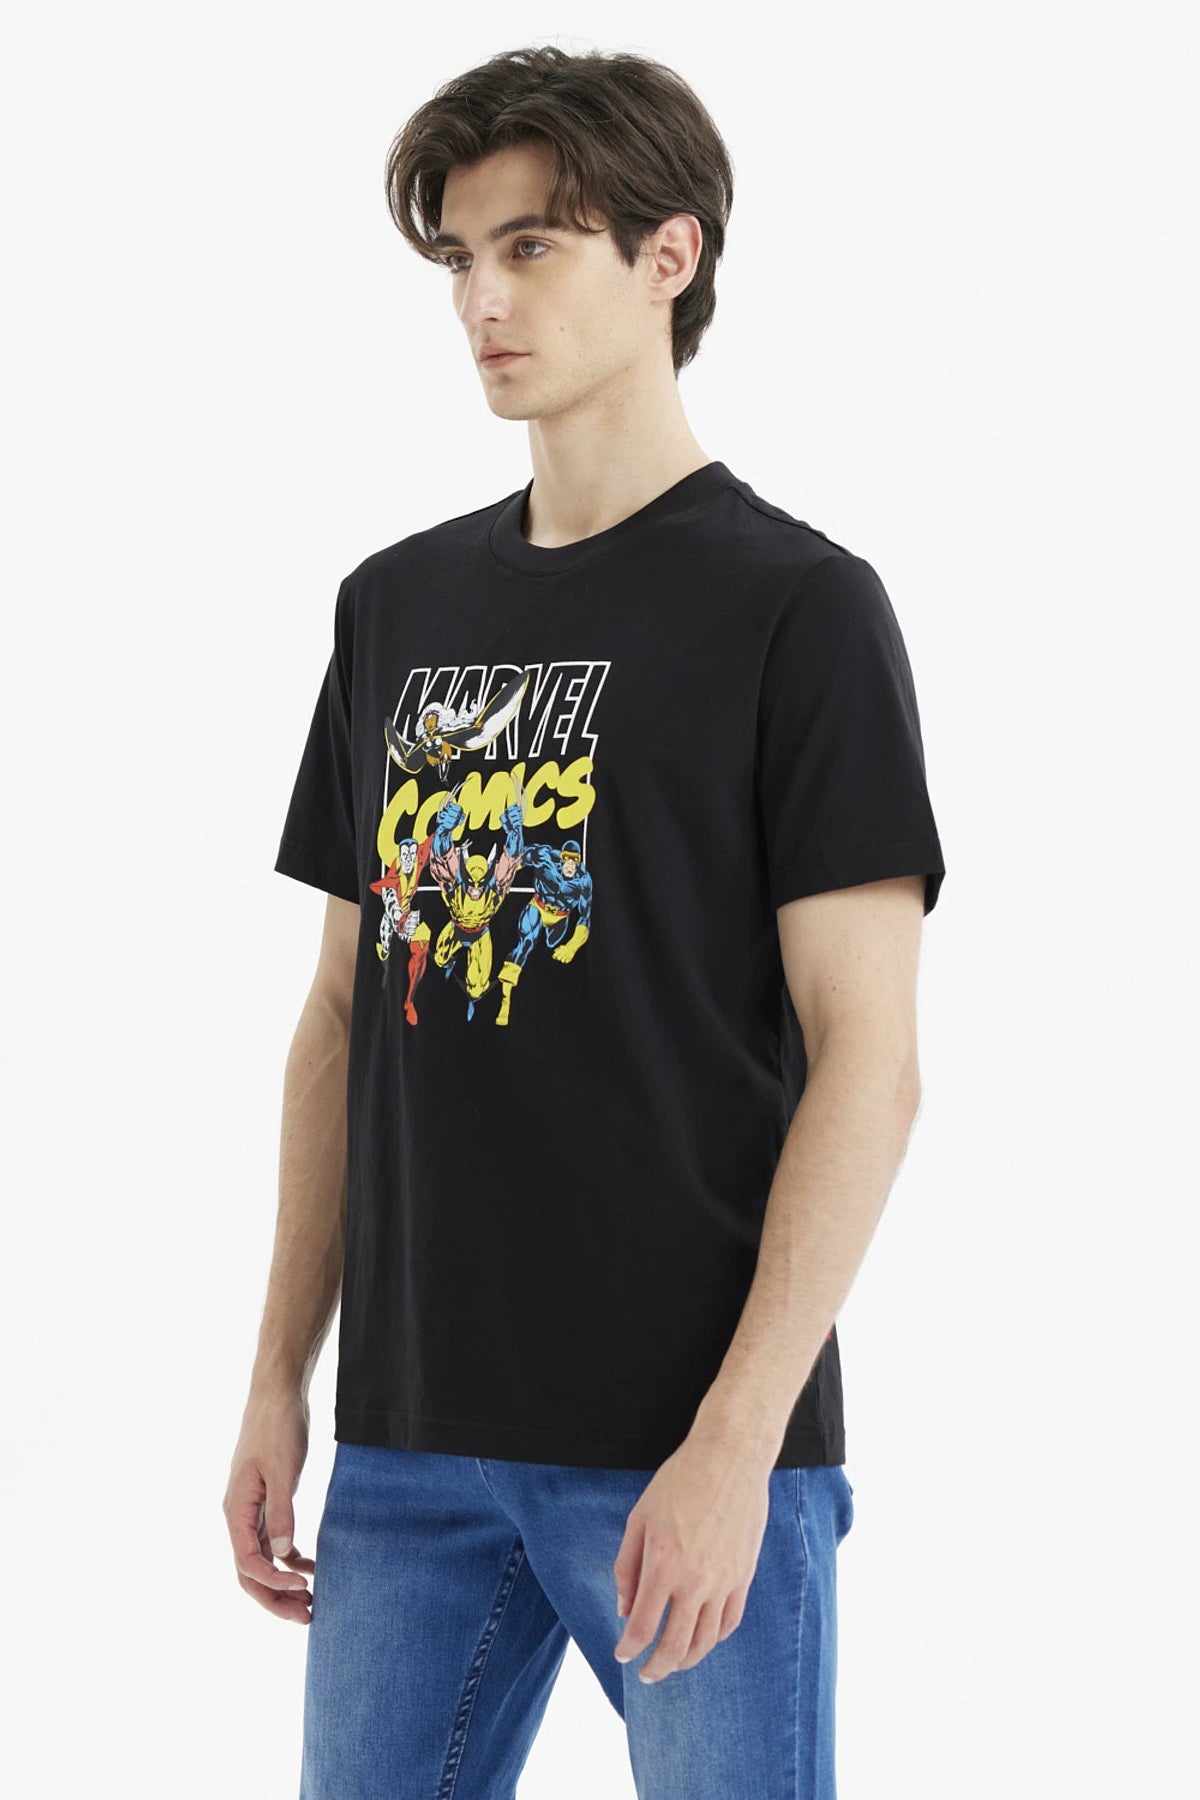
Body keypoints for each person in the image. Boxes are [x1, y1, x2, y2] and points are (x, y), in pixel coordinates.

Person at [222, 42, 947, 1800]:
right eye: (462, 258)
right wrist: (278, 1377)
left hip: (684, 1447)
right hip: (409, 1448)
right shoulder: (394, 608)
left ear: (668, 258)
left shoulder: (800, 612)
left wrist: (739, 1438)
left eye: (533, 247)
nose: (484, 299)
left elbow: (870, 1057)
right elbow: (341, 1015)